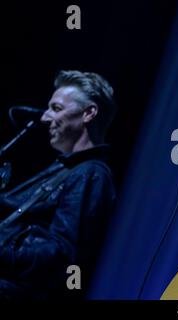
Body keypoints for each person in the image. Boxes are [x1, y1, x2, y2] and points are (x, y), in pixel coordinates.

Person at [0, 70, 117, 299]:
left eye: (56, 108)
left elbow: (62, 256)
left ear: (88, 113)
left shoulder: (90, 175)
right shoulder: (68, 170)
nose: (44, 118)